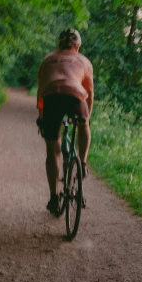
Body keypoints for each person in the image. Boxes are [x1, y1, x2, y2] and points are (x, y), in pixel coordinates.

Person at [37, 28, 93, 215]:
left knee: (52, 150)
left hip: (52, 96)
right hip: (75, 96)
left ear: (59, 44)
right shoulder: (84, 61)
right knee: (83, 125)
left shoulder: (47, 60)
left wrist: (42, 116)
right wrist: (87, 118)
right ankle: (83, 163)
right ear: (77, 45)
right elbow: (89, 93)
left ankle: (54, 198)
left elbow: (41, 91)